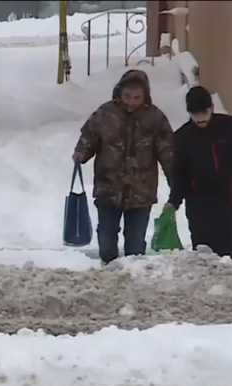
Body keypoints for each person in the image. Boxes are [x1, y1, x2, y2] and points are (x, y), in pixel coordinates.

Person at [72, 69, 176, 265]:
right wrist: (81, 152)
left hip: (141, 192)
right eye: (127, 96)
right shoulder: (105, 114)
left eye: (137, 97)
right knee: (106, 240)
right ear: (119, 92)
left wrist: (175, 181)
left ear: (145, 96)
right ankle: (109, 273)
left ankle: (132, 280)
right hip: (108, 188)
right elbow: (89, 136)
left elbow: (167, 152)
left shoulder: (155, 119)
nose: (131, 102)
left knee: (135, 247)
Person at [165, 86, 232, 260]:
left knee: (226, 256)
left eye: (204, 113)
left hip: (226, 202)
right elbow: (179, 175)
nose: (200, 118)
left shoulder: (230, 127)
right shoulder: (182, 137)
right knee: (203, 257)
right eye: (195, 114)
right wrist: (173, 202)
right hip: (198, 206)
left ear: (212, 108)